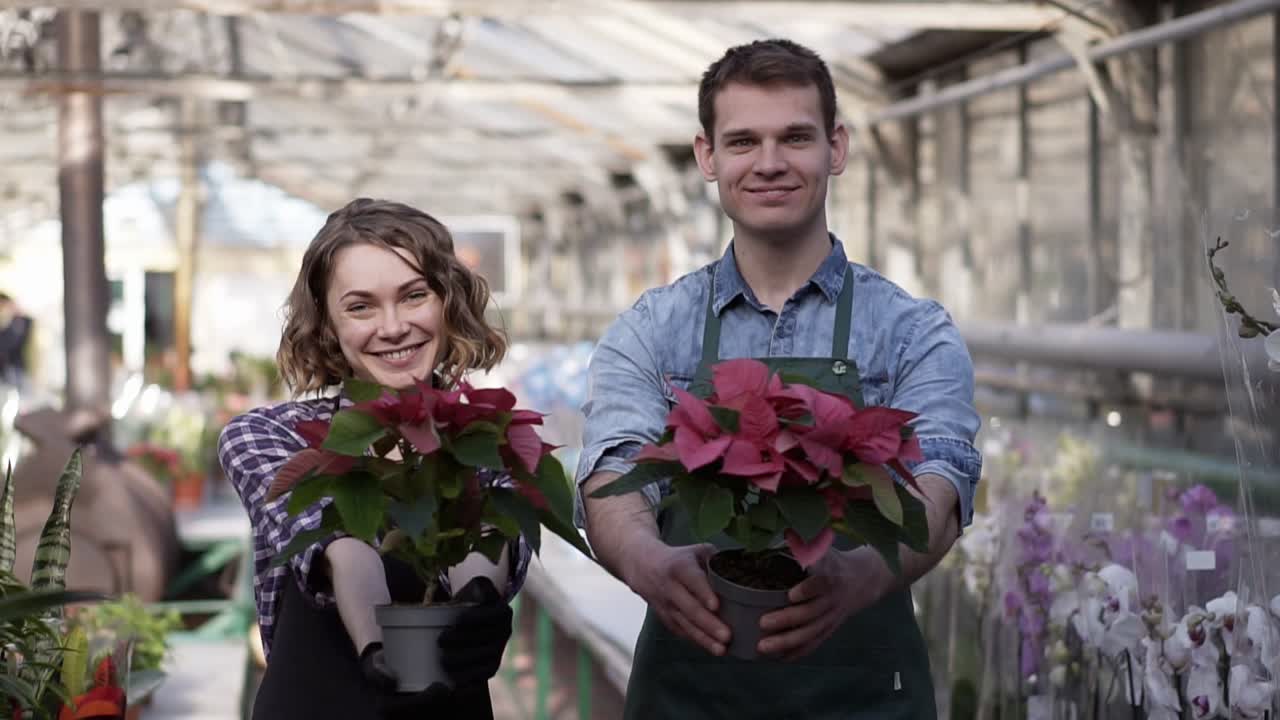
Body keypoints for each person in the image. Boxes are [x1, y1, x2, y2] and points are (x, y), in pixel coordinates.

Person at [575, 39, 982, 719]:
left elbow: (941, 479)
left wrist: (860, 574)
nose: (769, 163)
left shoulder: (910, 331)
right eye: (743, 141)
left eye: (795, 136)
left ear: (837, 148)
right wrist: (647, 561)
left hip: (863, 698)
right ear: (708, 157)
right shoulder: (654, 327)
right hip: (688, 698)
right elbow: (612, 467)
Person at [218, 198, 528, 720]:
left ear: (448, 303)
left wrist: (479, 597)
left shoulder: (488, 439)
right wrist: (375, 645)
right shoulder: (269, 436)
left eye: (414, 297)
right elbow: (341, 545)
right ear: (328, 325)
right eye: (360, 306)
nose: (392, 327)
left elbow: (487, 541)